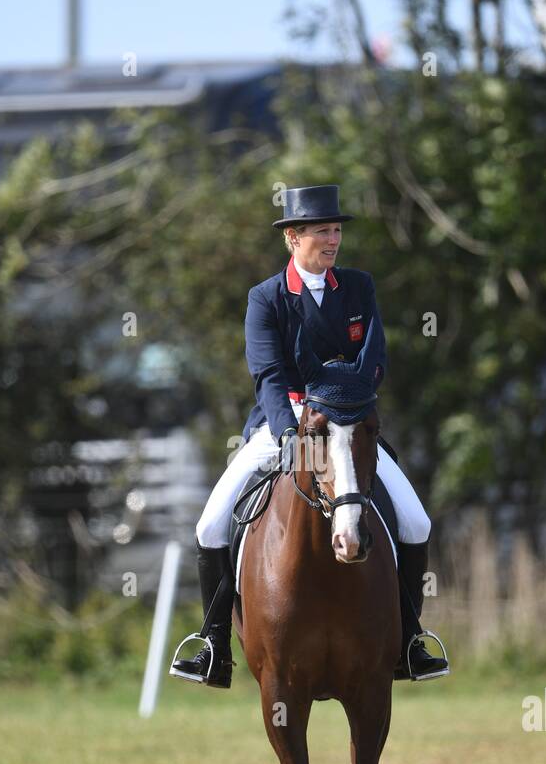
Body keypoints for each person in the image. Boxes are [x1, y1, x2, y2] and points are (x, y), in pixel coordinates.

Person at [169, 184, 450, 688]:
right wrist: (288, 436)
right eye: (322, 230)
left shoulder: (359, 287)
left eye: (337, 229)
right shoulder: (266, 298)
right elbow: (268, 376)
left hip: (349, 424)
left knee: (416, 520)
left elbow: (375, 360)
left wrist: (348, 407)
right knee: (210, 525)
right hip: (284, 426)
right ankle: (213, 644)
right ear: (292, 237)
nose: (333, 239)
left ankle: (410, 639)